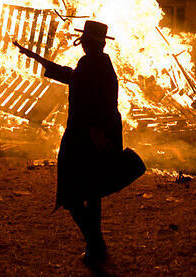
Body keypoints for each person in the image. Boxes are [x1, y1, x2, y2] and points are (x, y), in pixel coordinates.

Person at [14, 20, 123, 265]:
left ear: (89, 42)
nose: (82, 43)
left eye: (85, 40)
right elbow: (73, 78)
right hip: (91, 137)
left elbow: (99, 101)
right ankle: (95, 246)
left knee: (72, 196)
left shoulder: (93, 65)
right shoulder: (97, 63)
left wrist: (95, 129)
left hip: (87, 139)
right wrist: (39, 59)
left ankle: (95, 243)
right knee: (92, 194)